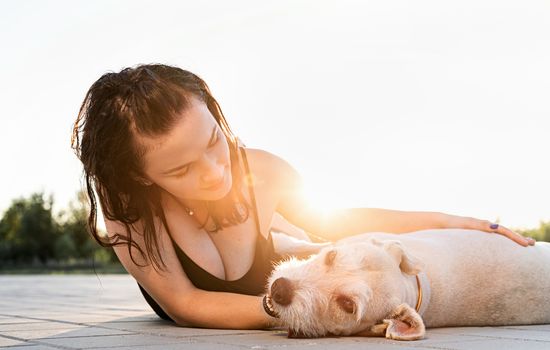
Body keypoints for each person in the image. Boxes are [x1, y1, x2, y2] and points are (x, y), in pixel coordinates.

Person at [71, 63, 535, 330]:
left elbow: (338, 219)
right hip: (263, 292)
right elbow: (186, 304)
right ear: (144, 176)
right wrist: (289, 308)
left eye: (214, 142)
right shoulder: (129, 210)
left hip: (283, 264)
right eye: (181, 169)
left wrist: (452, 222)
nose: (215, 174)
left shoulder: (261, 170)